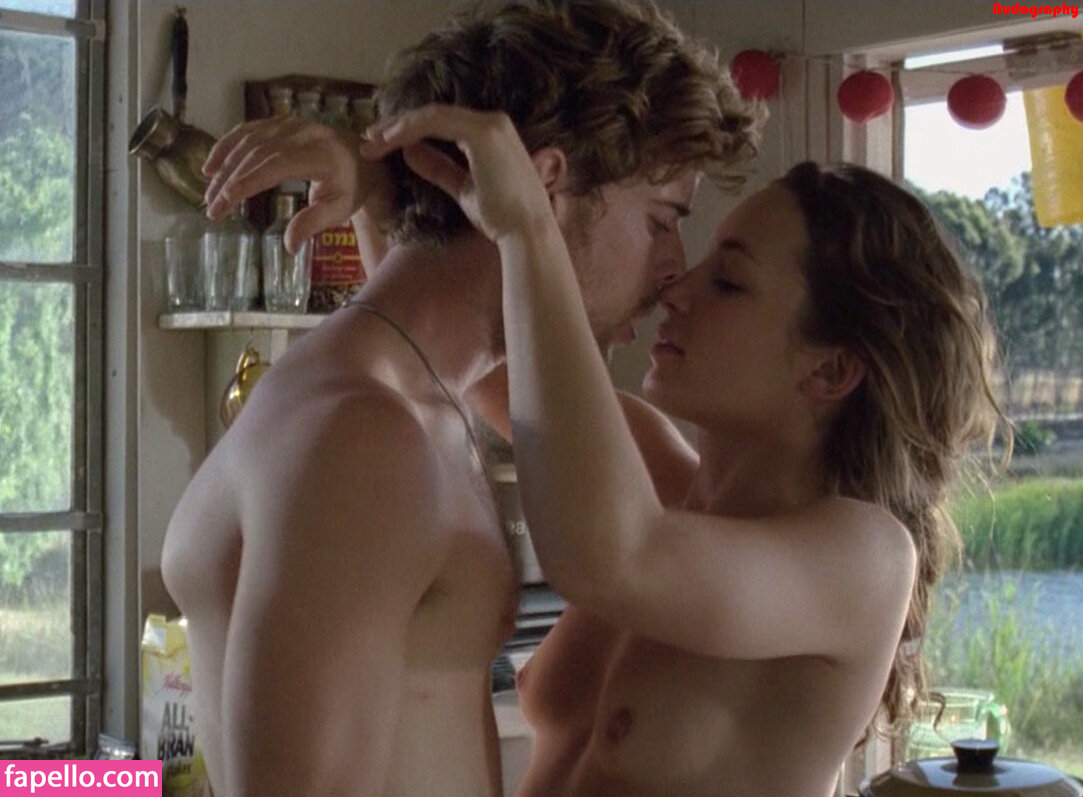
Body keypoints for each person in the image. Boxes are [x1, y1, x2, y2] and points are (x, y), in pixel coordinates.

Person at [160, 2, 760, 796]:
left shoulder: (400, 391)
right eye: (661, 220)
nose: (674, 265)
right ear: (545, 187)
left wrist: (377, 187)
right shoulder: (365, 437)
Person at [359, 105, 1006, 796]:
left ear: (829, 369)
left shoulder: (865, 558)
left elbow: (611, 557)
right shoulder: (647, 467)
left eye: (729, 282)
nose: (677, 289)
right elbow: (443, 356)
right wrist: (374, 196)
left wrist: (530, 227)